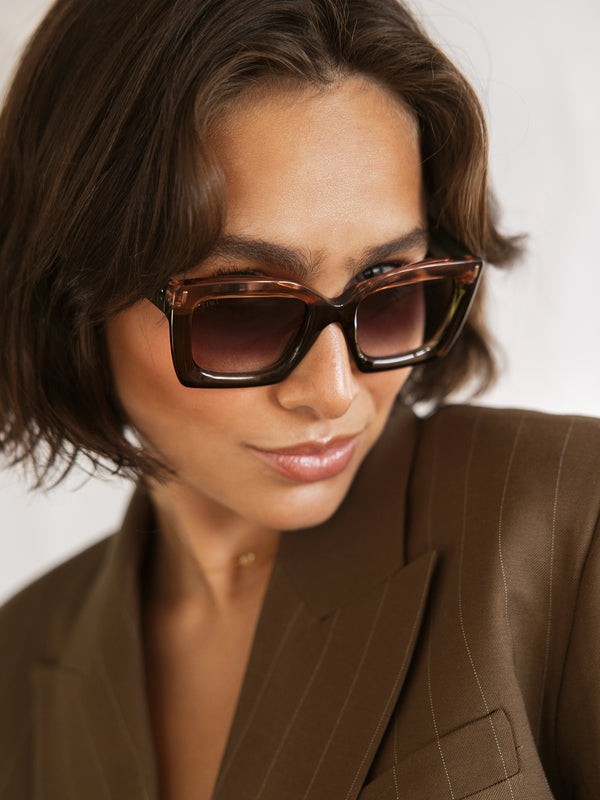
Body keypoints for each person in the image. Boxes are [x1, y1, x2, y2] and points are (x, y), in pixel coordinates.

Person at [0, 0, 599, 797]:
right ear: (70, 298)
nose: (334, 391)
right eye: (244, 308)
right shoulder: (17, 659)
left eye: (388, 288)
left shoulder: (568, 522)